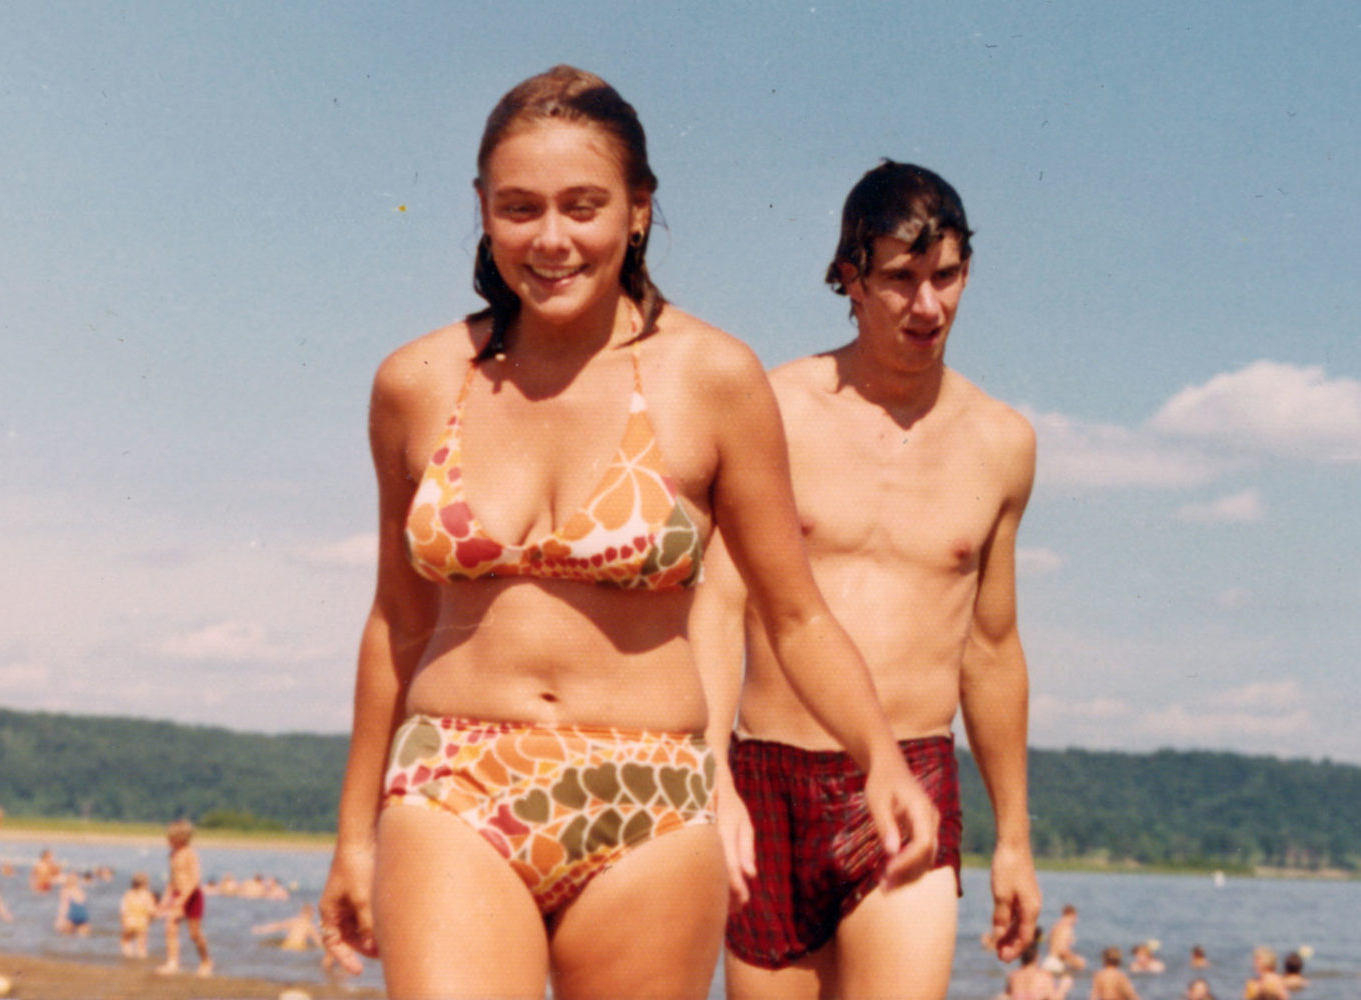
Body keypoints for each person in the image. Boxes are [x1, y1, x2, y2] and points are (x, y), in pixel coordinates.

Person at [316, 66, 938, 1000]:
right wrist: (353, 836)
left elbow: (795, 614)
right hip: (453, 779)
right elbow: (396, 622)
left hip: (649, 801)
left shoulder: (714, 379)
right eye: (520, 208)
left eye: (583, 206)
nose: (552, 238)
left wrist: (880, 758)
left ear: (638, 210)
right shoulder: (417, 381)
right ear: (482, 209)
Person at [698, 160, 1040, 1000]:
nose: (928, 306)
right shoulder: (773, 409)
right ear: (849, 277)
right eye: (900, 279)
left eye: (947, 276)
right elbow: (717, 603)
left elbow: (991, 650)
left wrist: (1016, 841)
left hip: (912, 774)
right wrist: (713, 781)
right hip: (767, 779)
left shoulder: (1001, 442)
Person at [157, 819, 213, 976]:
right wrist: (165, 899)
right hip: (177, 894)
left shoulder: (190, 854)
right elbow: (172, 880)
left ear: (181, 839)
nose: (168, 842)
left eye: (171, 839)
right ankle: (172, 962)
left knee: (194, 934)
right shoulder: (172, 855)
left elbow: (195, 879)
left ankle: (206, 961)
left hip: (193, 895)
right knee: (170, 927)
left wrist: (183, 898)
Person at [1003, 930, 1073, 1000]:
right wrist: (1063, 988)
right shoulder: (1044, 976)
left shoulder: (1013, 976)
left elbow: (1008, 996)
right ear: (1036, 957)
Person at [118, 871, 158, 958]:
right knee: (141, 943)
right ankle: (141, 956)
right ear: (146, 884)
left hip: (128, 922)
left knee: (126, 940)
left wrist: (122, 920)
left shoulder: (128, 894)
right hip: (142, 923)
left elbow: (123, 909)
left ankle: (127, 954)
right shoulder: (147, 895)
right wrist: (155, 915)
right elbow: (151, 910)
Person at [1044, 905, 1087, 973]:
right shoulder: (1066, 929)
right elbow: (1062, 950)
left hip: (1049, 962)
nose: (1077, 921)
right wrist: (1076, 961)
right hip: (1055, 965)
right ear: (1072, 916)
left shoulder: (1055, 927)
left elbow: (1051, 944)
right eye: (1076, 918)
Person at [54, 871, 90, 936]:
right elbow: (63, 908)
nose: (73, 880)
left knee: (81, 935)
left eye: (74, 879)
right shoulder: (66, 891)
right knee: (68, 936)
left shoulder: (77, 890)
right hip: (72, 916)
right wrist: (60, 921)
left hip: (80, 915)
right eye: (72, 879)